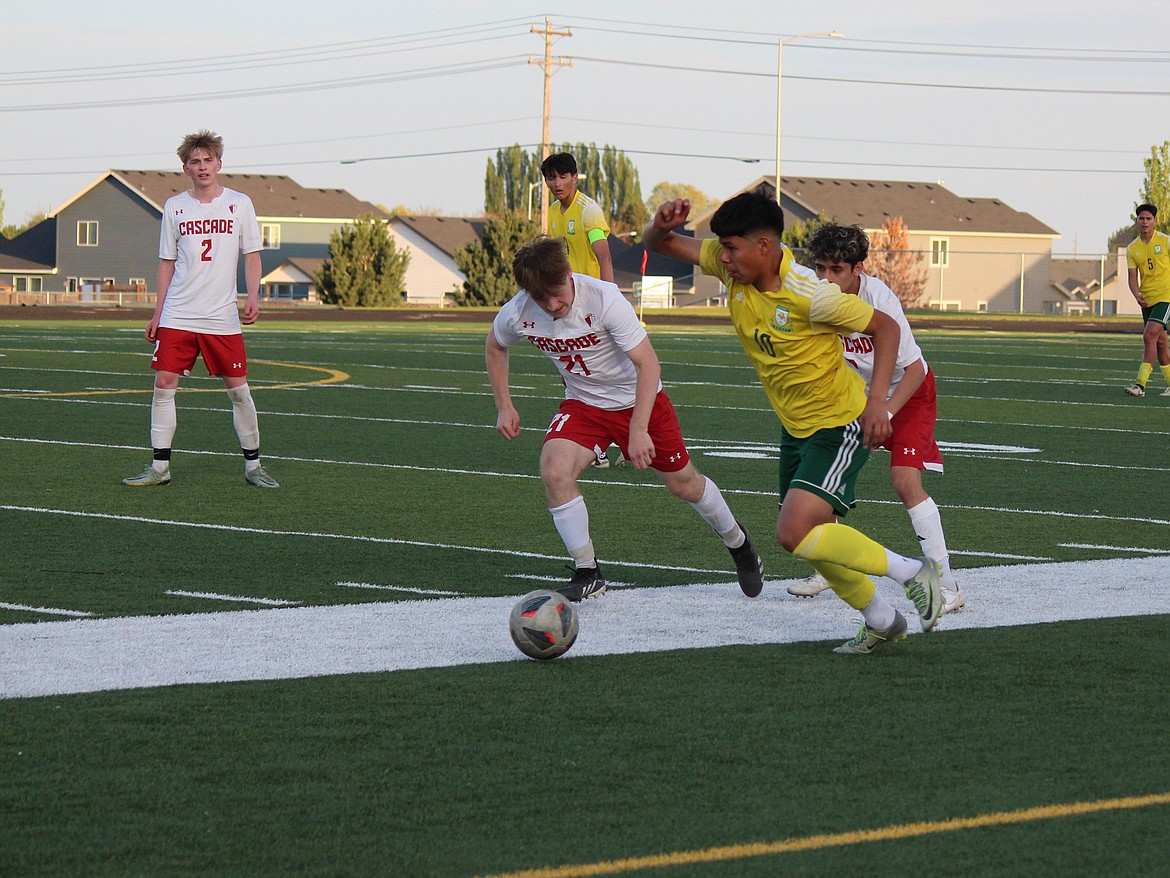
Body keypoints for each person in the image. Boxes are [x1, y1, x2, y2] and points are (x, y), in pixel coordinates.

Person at [643, 191, 943, 654]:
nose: (722, 257)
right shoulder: (733, 267)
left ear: (764, 246)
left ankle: (911, 571)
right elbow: (660, 245)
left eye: (731, 247)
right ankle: (882, 619)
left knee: (792, 532)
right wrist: (661, 225)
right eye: (720, 248)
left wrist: (878, 405)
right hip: (796, 428)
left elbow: (887, 329)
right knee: (809, 542)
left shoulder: (811, 295)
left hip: (839, 424)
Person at [485, 235, 763, 602]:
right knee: (554, 471)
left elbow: (648, 363)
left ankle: (738, 543)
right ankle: (588, 572)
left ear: (568, 273)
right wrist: (504, 404)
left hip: (639, 400)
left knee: (684, 485)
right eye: (541, 299)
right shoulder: (518, 311)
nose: (552, 305)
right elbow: (495, 345)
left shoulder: (603, 299)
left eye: (556, 293)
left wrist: (638, 429)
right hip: (584, 405)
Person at [785, 223, 965, 613]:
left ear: (858, 270)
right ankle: (828, 570)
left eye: (837, 270)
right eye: (820, 268)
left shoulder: (879, 299)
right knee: (824, 478)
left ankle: (947, 584)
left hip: (907, 393)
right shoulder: (815, 297)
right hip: (858, 396)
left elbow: (914, 370)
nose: (827, 278)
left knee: (904, 481)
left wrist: (883, 410)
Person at [122, 129, 277, 489]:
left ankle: (254, 466)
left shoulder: (240, 203)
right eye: (196, 161)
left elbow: (252, 255)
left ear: (219, 164)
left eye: (209, 160)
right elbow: (166, 263)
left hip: (221, 314)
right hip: (179, 310)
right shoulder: (175, 206)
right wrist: (158, 312)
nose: (203, 166)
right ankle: (160, 468)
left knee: (239, 390)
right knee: (163, 384)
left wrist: (252, 295)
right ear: (185, 168)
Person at [540, 152, 624, 467]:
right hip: (567, 302)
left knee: (608, 370)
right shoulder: (553, 211)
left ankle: (627, 435)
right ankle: (598, 443)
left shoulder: (589, 211)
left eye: (563, 176)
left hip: (593, 302)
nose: (557, 183)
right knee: (571, 369)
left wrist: (611, 299)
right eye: (551, 178)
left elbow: (604, 256)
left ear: (575, 177)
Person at [1124, 203, 1170, 398]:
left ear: (1155, 221)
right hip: (1147, 301)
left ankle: (1140, 385)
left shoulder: (1166, 242)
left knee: (1148, 336)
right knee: (1160, 343)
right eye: (1141, 218)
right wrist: (1136, 295)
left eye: (1148, 218)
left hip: (1166, 297)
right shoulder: (1132, 248)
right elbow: (1132, 277)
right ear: (1136, 221)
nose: (1144, 222)